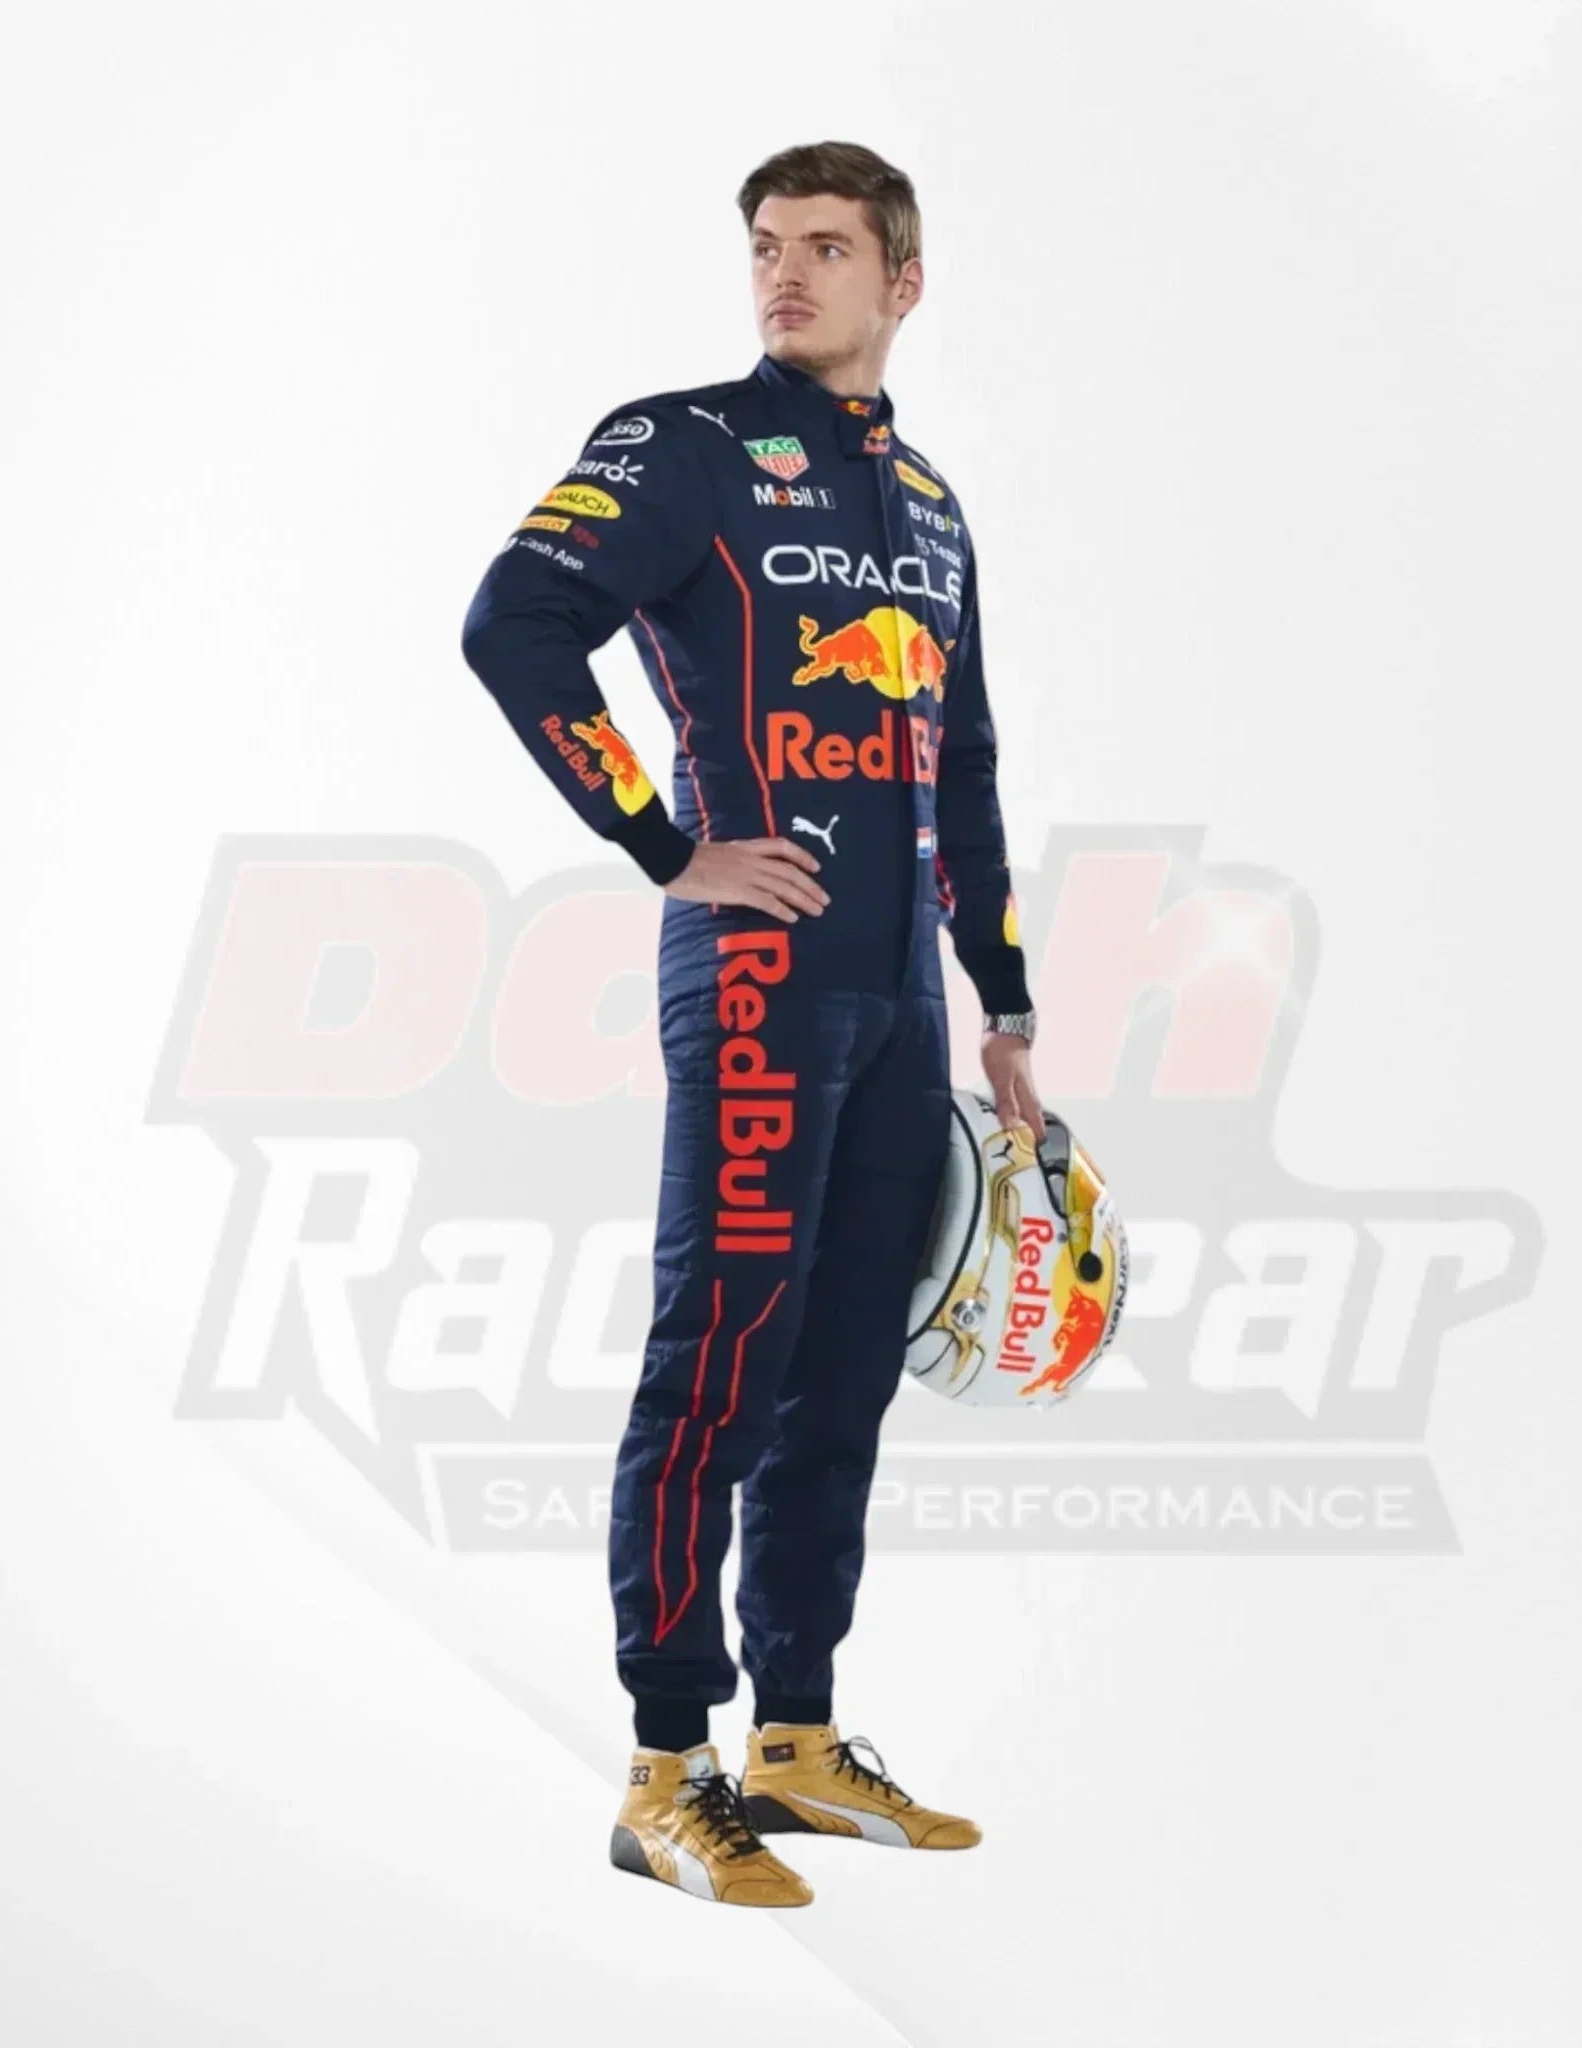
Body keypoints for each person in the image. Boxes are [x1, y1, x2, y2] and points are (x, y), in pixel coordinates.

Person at [461, 140, 1042, 1908]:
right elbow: (513, 625)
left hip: (905, 1002)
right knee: (718, 1363)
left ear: (903, 282)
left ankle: (795, 1736)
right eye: (768, 247)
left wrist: (1004, 999)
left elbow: (962, 759)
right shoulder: (687, 446)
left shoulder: (931, 505)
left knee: (846, 1372)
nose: (786, 275)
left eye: (827, 249)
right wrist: (667, 845)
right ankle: (664, 1768)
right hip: (759, 980)